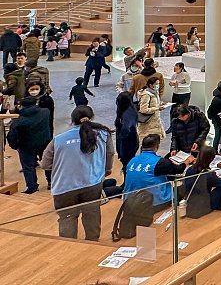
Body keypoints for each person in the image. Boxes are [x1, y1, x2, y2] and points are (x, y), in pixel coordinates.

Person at [41, 106, 114, 240]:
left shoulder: (59, 139)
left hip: (64, 187)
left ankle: (69, 246)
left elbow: (45, 164)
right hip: (92, 183)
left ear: (72, 120)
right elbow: (109, 154)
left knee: (67, 218)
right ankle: (93, 242)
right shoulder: (103, 134)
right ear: (91, 117)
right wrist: (106, 168)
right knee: (92, 214)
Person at [123, 134, 194, 214]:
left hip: (129, 202)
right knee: (182, 187)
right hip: (152, 202)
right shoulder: (159, 162)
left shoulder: (132, 161)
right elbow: (179, 169)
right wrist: (188, 160)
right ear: (157, 147)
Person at [8, 95, 50, 193]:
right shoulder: (45, 112)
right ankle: (51, 182)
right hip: (44, 142)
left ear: (21, 106)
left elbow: (11, 136)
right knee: (48, 163)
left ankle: (32, 187)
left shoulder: (18, 122)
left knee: (28, 167)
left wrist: (15, 146)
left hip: (26, 146)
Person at [184, 145, 221, 218]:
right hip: (203, 204)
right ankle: (217, 211)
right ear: (211, 159)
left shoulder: (190, 170)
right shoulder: (209, 175)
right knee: (220, 188)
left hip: (190, 202)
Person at [114, 91, 139, 177]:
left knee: (128, 164)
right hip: (128, 142)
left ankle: (128, 182)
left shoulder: (128, 113)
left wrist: (121, 137)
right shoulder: (127, 110)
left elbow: (126, 129)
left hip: (128, 144)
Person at [137, 76, 166, 141]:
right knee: (147, 141)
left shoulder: (155, 92)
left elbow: (153, 103)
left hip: (155, 121)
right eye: (156, 84)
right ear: (150, 85)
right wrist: (157, 108)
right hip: (148, 123)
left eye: (158, 84)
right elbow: (143, 109)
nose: (158, 85)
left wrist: (160, 103)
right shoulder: (146, 95)